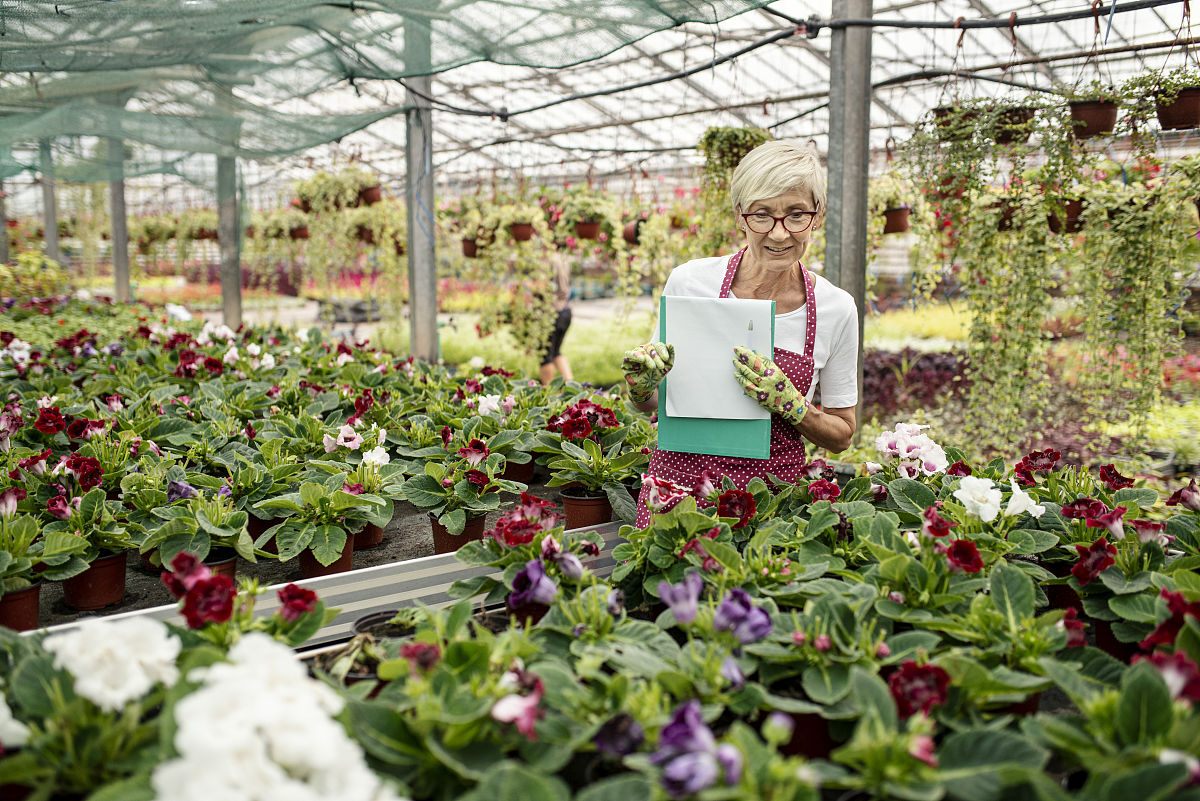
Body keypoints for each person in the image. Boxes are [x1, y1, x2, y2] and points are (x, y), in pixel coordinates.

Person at [622, 140, 859, 527]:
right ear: (740, 216)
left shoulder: (836, 308)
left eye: (796, 214)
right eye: (762, 215)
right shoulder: (690, 283)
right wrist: (639, 386)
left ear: (817, 217)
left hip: (770, 504)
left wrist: (794, 406)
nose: (780, 234)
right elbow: (653, 403)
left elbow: (842, 434)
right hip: (677, 496)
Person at [539, 251, 574, 385]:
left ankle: (550, 396)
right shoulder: (563, 257)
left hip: (551, 313)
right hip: (566, 310)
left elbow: (541, 286)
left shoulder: (546, 260)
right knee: (556, 352)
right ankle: (573, 388)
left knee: (545, 356)